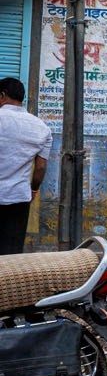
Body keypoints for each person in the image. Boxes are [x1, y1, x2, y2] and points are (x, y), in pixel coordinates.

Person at [0, 77, 52, 255]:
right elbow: (40, 168)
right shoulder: (41, 127)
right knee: (11, 253)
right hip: (19, 197)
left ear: (2, 95)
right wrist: (34, 189)